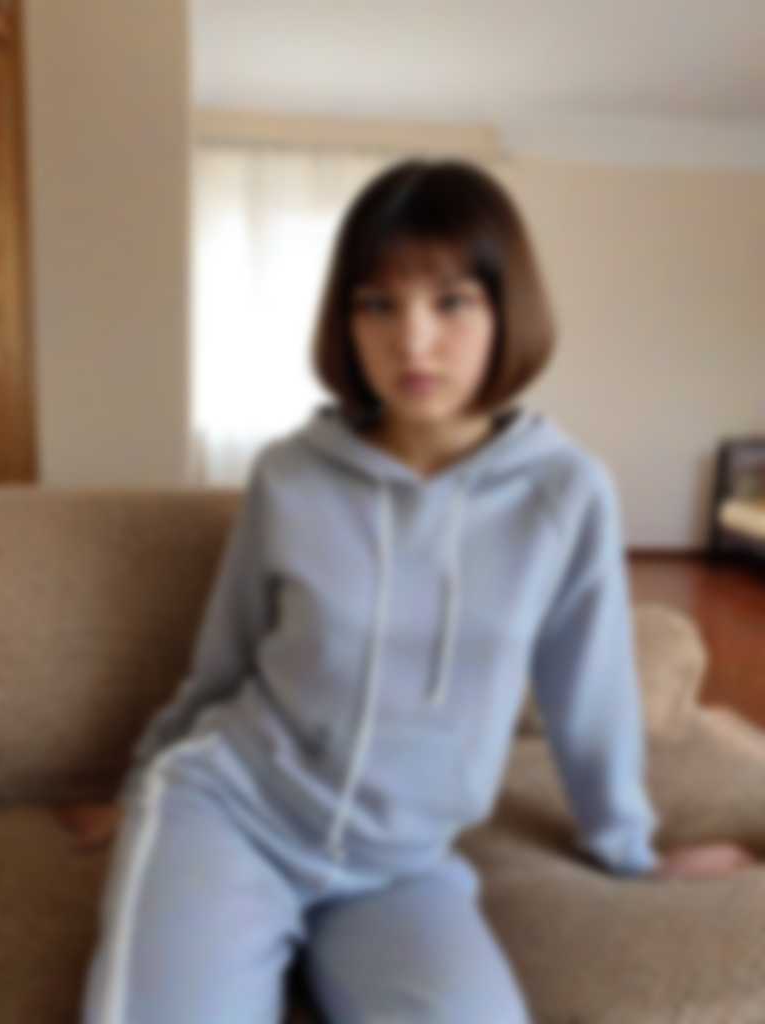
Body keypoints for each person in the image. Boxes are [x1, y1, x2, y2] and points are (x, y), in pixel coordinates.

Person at [80, 158, 757, 1024]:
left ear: (507, 309)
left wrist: (631, 851)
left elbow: (591, 691)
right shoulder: (291, 477)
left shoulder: (565, 493)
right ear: (346, 320)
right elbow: (225, 658)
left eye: (451, 302)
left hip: (402, 867)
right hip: (233, 815)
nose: (412, 340)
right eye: (378, 304)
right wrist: (141, 782)